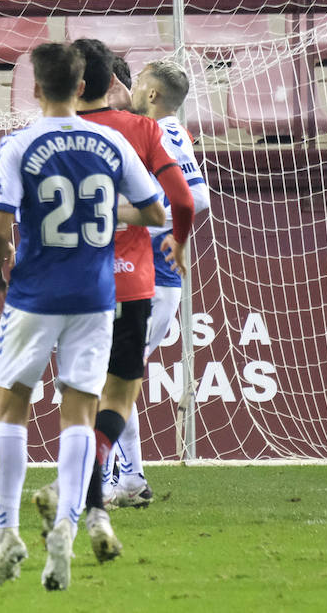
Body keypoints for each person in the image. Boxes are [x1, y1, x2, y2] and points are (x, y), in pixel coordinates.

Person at [0, 42, 165, 590]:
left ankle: (7, 531)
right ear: (83, 87)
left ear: (36, 88)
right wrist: (108, 211)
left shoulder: (18, 144)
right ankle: (65, 525)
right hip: (95, 296)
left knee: (11, 408)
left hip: (36, 295)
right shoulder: (110, 141)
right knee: (80, 414)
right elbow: (157, 210)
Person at [31, 38, 197, 559]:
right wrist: (176, 237)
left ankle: (90, 486)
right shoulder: (145, 131)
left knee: (81, 395)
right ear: (115, 83)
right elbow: (185, 201)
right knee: (118, 393)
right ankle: (95, 483)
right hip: (135, 280)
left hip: (71, 283)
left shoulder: (51, 135)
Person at [107, 58, 213, 508]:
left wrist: (141, 221)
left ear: (151, 94)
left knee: (111, 379)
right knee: (114, 377)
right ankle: (128, 480)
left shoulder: (167, 132)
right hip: (142, 269)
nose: (130, 91)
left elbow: (198, 197)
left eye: (137, 86)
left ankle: (119, 479)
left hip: (153, 269)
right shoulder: (147, 132)